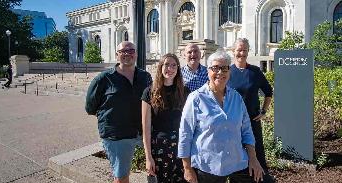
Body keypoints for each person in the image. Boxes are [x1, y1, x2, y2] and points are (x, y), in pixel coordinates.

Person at [178, 50, 264, 183]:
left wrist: (253, 158)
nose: (220, 72)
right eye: (215, 68)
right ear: (208, 72)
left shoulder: (236, 97)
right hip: (207, 166)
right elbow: (185, 134)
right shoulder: (196, 98)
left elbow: (247, 130)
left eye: (224, 68)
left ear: (229, 72)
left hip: (237, 162)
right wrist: (187, 168)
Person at [85, 41, 152, 183]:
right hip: (117, 135)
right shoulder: (103, 78)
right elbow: (90, 107)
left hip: (142, 132)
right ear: (117, 55)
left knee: (154, 167)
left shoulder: (145, 77)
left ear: (136, 54)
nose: (127, 53)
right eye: (123, 51)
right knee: (121, 176)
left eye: (131, 51)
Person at [227, 38, 274, 183]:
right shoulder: (227, 71)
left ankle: (260, 179)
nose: (242, 53)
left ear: (248, 51)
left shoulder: (254, 71)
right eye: (239, 50)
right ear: (233, 51)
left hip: (252, 121)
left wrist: (264, 111)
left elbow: (268, 92)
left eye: (245, 50)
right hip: (233, 122)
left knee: (257, 153)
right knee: (235, 154)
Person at [142, 53, 190, 183]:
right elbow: (146, 128)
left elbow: (191, 123)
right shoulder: (149, 92)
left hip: (181, 148)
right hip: (159, 149)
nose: (170, 68)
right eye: (167, 64)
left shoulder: (185, 92)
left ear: (178, 69)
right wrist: (148, 157)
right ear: (160, 67)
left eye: (174, 65)